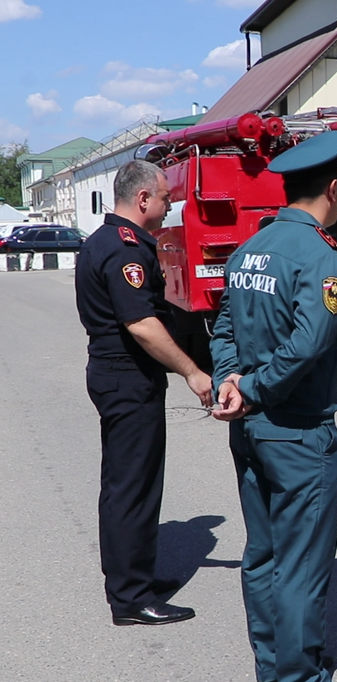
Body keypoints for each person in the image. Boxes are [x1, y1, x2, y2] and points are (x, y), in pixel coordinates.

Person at [209, 131, 337, 682]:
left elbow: (221, 329)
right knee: (301, 567)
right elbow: (307, 345)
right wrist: (253, 389)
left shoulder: (251, 247)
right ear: (334, 190)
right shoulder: (320, 256)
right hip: (297, 433)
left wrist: (232, 383)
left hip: (249, 428)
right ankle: (296, 675)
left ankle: (272, 667)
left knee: (263, 557)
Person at [75, 160, 213, 626]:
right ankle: (132, 599)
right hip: (127, 378)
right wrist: (192, 372)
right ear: (142, 200)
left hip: (118, 376)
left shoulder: (104, 241)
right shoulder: (125, 251)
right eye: (166, 198)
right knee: (132, 489)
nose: (169, 205)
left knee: (125, 485)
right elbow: (141, 324)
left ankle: (133, 579)